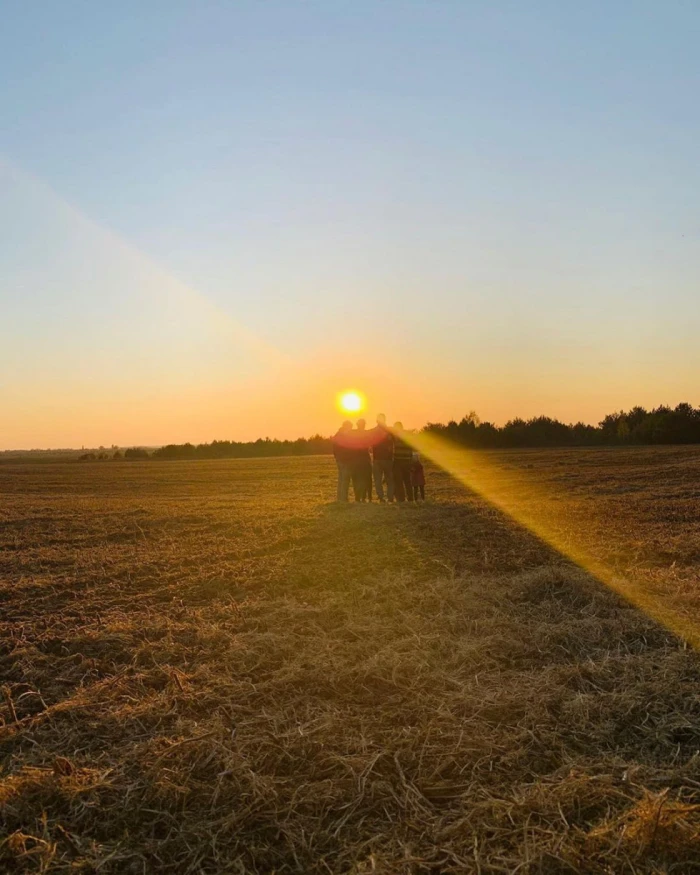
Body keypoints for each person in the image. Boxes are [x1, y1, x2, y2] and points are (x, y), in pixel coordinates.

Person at [370, 413, 394, 503]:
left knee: (378, 480)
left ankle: (381, 497)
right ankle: (390, 497)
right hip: (388, 459)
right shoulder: (390, 430)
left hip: (377, 459)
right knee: (390, 480)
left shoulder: (374, 431)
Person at [351, 419, 373, 502]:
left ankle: (358, 497)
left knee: (357, 479)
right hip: (365, 459)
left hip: (356, 460)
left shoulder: (353, 433)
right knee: (367, 479)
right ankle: (366, 497)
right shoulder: (366, 434)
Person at [392, 422, 414, 502]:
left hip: (398, 461)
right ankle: (410, 498)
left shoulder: (395, 436)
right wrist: (410, 461)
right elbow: (411, 449)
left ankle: (401, 499)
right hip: (407, 461)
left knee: (399, 481)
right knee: (407, 481)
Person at [332, 421, 354, 502]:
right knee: (345, 480)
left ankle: (340, 497)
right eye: (350, 428)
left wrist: (337, 457)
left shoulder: (338, 434)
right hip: (344, 460)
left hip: (340, 460)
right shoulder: (343, 436)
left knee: (341, 479)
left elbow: (334, 449)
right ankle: (344, 498)